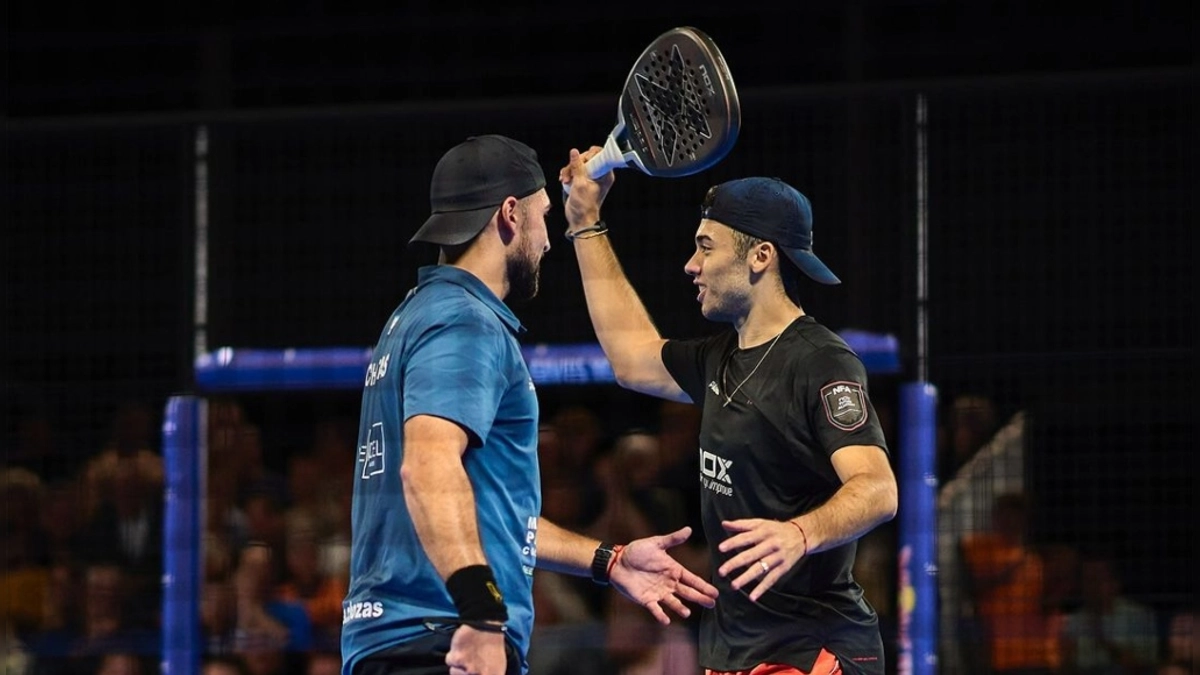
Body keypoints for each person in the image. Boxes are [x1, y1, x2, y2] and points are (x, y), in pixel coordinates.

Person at [340, 135, 718, 675]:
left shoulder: (417, 315)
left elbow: (491, 514)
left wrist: (606, 561)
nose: (546, 240)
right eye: (543, 216)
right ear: (510, 214)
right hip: (442, 636)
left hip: (410, 638)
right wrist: (481, 614)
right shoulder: (463, 320)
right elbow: (427, 465)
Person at [559, 152, 899, 675]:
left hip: (814, 651)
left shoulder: (820, 361)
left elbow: (878, 488)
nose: (691, 265)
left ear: (760, 256)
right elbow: (630, 358)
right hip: (733, 651)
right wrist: (585, 223)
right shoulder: (718, 358)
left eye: (705, 247)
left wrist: (801, 533)